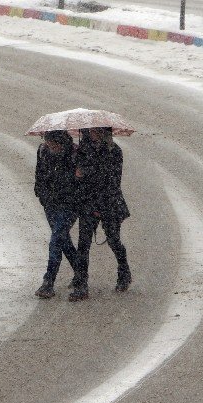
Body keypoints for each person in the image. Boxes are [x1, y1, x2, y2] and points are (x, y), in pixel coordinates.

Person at [70, 126, 131, 301]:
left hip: (109, 203)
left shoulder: (114, 151)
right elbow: (79, 178)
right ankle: (81, 285)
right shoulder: (83, 149)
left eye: (96, 131)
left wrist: (86, 173)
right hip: (88, 203)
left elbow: (112, 180)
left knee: (113, 240)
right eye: (90, 131)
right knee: (83, 245)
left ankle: (123, 271)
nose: (92, 133)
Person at [33, 130, 79, 299]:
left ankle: (48, 281)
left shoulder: (75, 154)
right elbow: (39, 174)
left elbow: (78, 182)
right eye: (47, 143)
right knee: (63, 240)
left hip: (69, 205)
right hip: (50, 203)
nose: (49, 146)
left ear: (61, 142)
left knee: (56, 240)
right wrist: (41, 194)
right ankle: (80, 272)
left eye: (53, 144)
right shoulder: (42, 151)